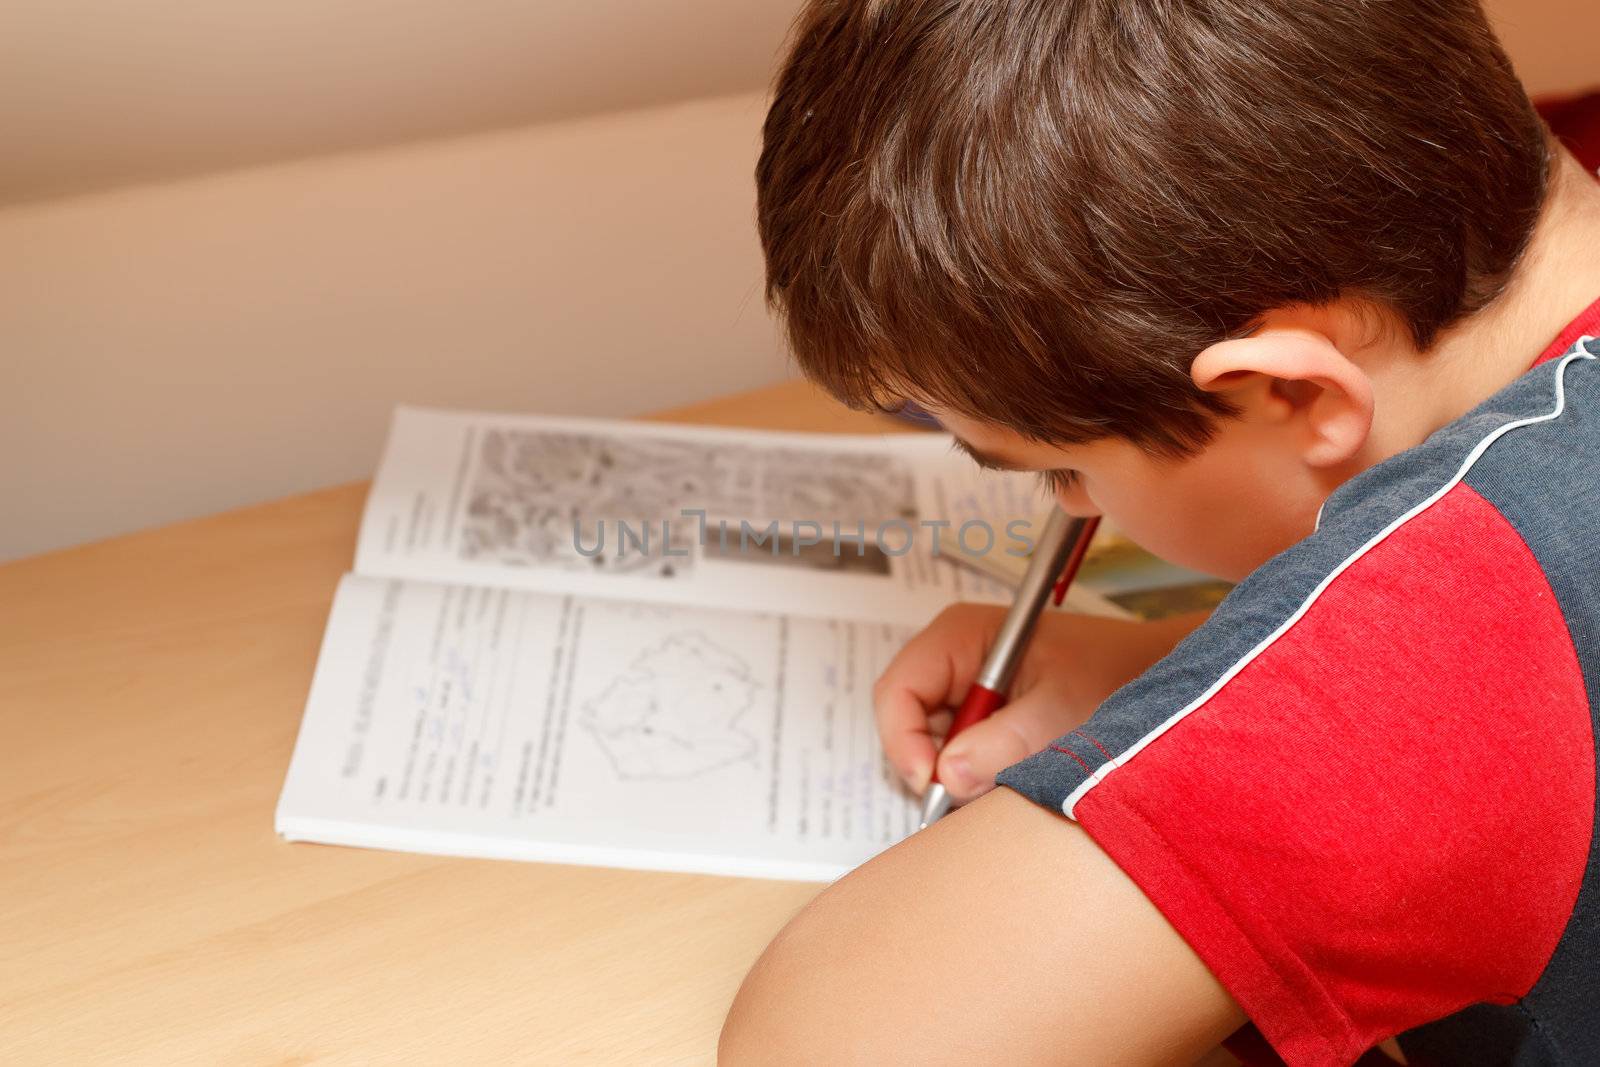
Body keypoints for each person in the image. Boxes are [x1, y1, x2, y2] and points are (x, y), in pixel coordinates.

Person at [718, 1, 1600, 1064]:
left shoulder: (1456, 614)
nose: (1071, 508)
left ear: (1289, 392)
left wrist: (1215, 714)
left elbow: (834, 1041)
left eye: (1062, 470)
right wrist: (1180, 664)